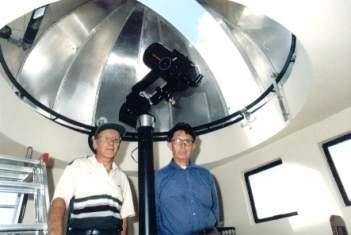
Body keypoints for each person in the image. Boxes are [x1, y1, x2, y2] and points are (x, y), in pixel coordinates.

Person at [48, 123, 135, 235]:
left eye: (116, 140)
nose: (111, 143)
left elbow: (123, 219)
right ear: (95, 142)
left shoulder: (122, 178)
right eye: (106, 138)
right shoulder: (78, 166)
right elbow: (58, 204)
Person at [155, 122, 220, 235]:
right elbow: (154, 215)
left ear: (193, 146)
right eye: (178, 141)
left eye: (188, 141)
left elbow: (215, 208)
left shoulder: (206, 175)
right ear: (170, 145)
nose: (183, 145)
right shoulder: (158, 178)